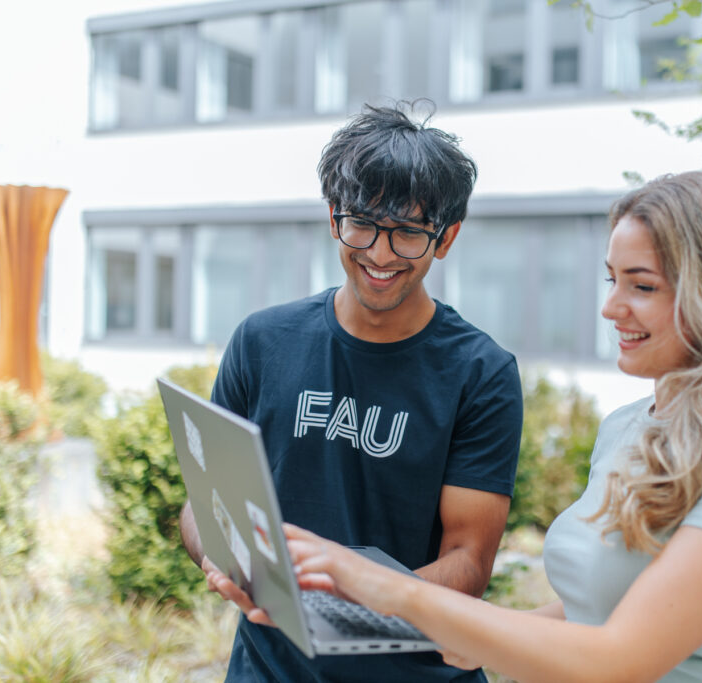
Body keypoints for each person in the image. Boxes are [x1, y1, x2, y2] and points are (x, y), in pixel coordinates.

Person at [283, 171, 702, 683]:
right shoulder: (627, 429)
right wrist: (450, 632)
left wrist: (384, 587)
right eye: (612, 280)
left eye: (642, 287)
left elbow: (620, 662)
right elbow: (596, 607)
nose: (611, 307)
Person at [178, 102, 524, 682]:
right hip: (269, 667)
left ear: (447, 238)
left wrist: (340, 602)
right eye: (361, 223)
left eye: (409, 233)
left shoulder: (479, 372)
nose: (380, 254)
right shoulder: (263, 341)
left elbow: (467, 561)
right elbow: (206, 499)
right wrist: (216, 551)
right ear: (334, 215)